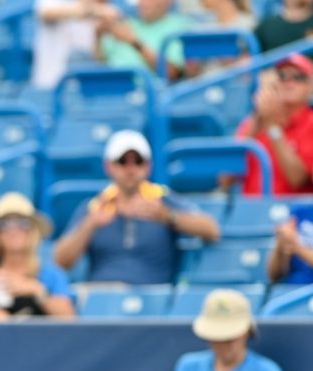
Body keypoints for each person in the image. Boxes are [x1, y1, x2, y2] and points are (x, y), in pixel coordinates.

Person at [54, 130, 220, 284]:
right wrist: (89, 225)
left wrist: (168, 216)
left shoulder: (162, 200)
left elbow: (211, 229)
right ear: (109, 167)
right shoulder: (95, 206)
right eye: (122, 161)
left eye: (138, 161)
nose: (131, 169)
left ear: (148, 166)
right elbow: (60, 261)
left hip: (154, 303)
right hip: (101, 302)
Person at [0, 192, 76, 318]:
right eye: (4, 224)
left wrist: (36, 290)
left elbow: (68, 318)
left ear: (33, 232)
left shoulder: (49, 274)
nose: (14, 231)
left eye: (23, 223)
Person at [172, 289, 286, 371]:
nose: (222, 344)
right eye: (216, 337)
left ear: (246, 332)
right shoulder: (188, 367)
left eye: (229, 339)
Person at [234, 53, 313, 195]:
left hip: (296, 212)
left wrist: (273, 128)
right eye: (282, 76)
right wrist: (256, 121)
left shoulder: (310, 123)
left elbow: (298, 179)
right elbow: (226, 178)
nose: (289, 82)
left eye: (298, 77)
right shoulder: (252, 122)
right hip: (251, 210)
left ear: (310, 87)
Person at [32, 0, 121, 89]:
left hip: (86, 91)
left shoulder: (103, 11)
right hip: (51, 85)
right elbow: (46, 13)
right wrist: (93, 11)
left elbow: (101, 59)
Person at [96, 0, 191, 80]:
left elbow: (172, 73)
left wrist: (135, 43)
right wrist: (98, 36)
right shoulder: (126, 23)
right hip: (112, 89)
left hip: (152, 94)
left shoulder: (180, 27)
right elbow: (101, 62)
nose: (144, 3)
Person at [268, 204, 313, 284]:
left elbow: (294, 243)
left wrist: (296, 246)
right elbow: (273, 275)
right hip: (291, 288)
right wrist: (281, 241)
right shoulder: (299, 212)